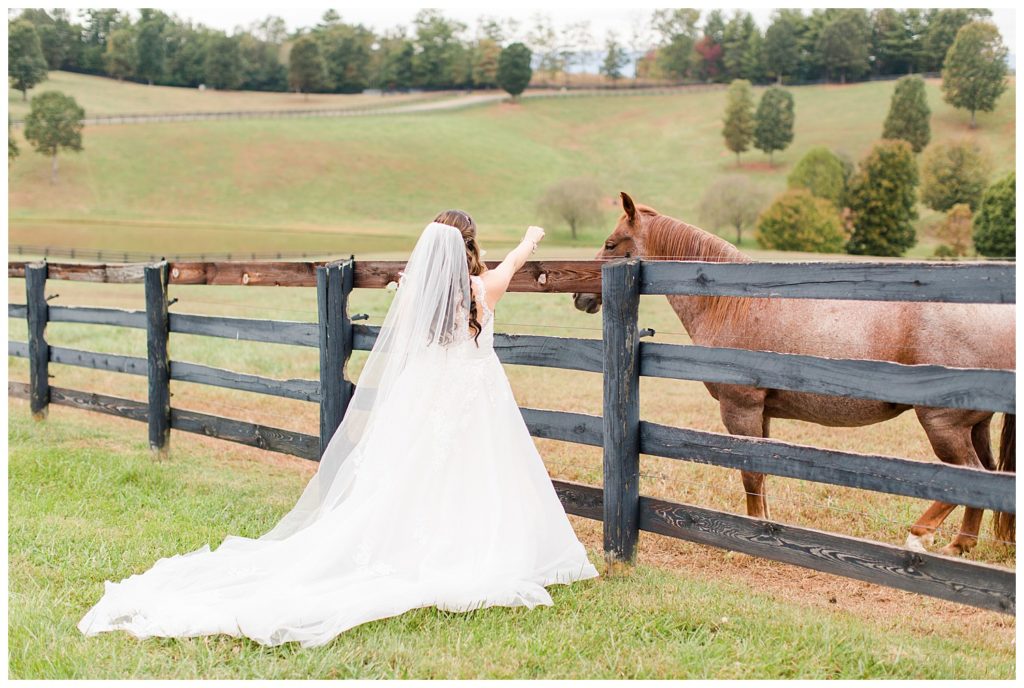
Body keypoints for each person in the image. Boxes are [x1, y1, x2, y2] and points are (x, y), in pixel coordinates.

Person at [78, 210, 600, 648]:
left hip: (423, 404)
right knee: (476, 473)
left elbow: (412, 293)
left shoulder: (417, 295)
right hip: (473, 405)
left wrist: (403, 283)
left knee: (409, 475)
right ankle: (471, 546)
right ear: (468, 247)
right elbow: (511, 265)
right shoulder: (481, 291)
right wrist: (531, 240)